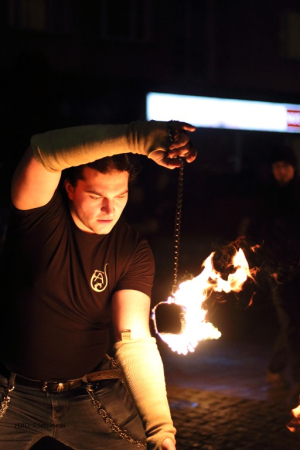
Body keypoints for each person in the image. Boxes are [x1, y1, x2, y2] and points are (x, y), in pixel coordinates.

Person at [0, 120, 197, 450]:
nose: (110, 209)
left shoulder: (132, 250)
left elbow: (133, 338)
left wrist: (161, 429)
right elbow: (43, 151)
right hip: (13, 391)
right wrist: (138, 139)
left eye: (121, 195)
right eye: (96, 196)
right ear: (70, 188)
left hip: (91, 392)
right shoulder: (37, 215)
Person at [256, 145, 300, 409]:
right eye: (276, 166)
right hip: (279, 272)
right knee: (292, 324)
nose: (281, 171)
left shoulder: (297, 194)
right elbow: (262, 235)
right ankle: (298, 381)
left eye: (285, 165)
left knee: (293, 323)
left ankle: (274, 369)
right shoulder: (268, 197)